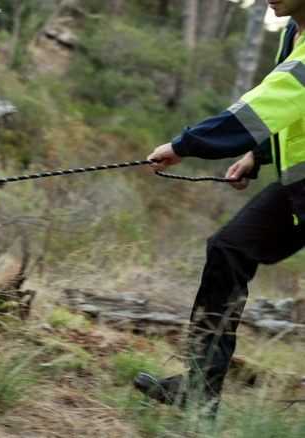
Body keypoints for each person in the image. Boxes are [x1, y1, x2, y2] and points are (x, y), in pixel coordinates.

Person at [133, 0, 305, 412]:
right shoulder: (292, 31)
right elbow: (289, 109)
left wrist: (185, 145)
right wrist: (257, 156)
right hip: (299, 185)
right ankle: (200, 390)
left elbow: (266, 105)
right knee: (229, 248)